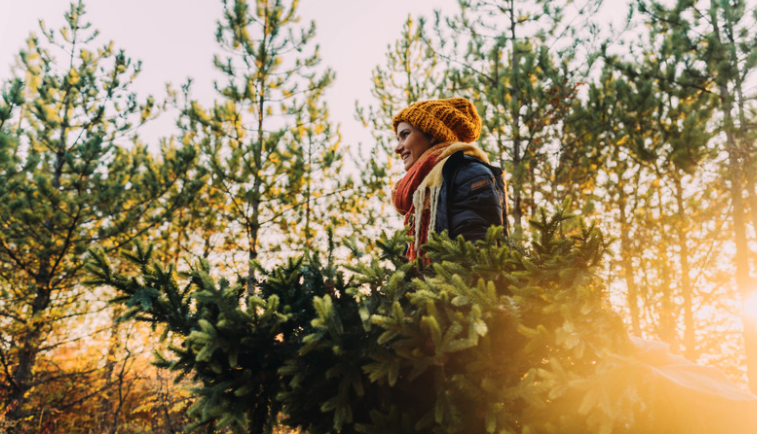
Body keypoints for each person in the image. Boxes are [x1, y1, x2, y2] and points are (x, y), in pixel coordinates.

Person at [391, 97, 507, 261]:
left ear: (432, 134)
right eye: (398, 139)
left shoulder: (468, 173)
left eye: (405, 135)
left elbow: (477, 251)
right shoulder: (421, 189)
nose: (397, 148)